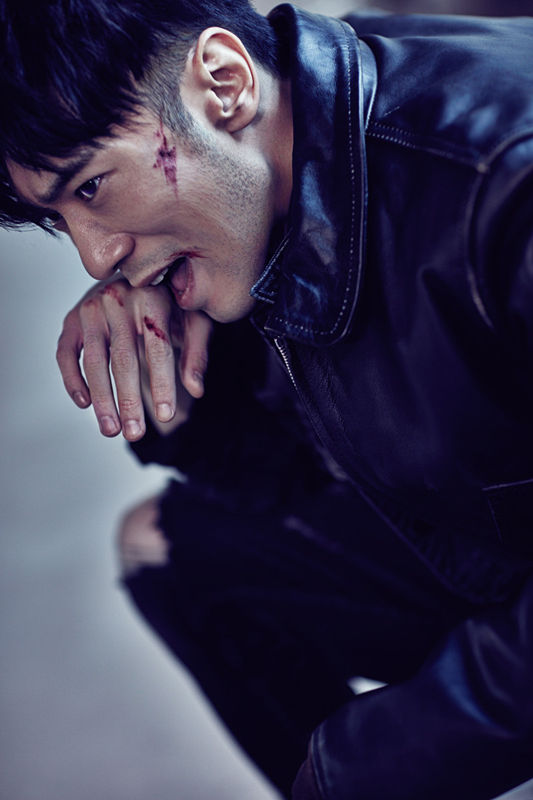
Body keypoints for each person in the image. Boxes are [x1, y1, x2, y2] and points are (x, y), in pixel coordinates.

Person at [3, 0, 533, 798]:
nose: (96, 257)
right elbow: (300, 473)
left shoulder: (503, 185)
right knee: (166, 549)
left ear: (222, 83)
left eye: (94, 186)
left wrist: (352, 769)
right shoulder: (290, 157)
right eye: (61, 217)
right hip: (487, 542)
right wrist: (188, 378)